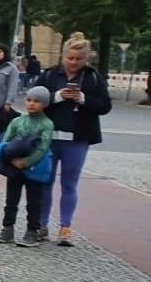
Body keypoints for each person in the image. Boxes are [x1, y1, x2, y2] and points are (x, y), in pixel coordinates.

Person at [36, 34, 113, 246]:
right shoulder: (50, 75)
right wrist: (59, 95)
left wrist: (83, 99)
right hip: (49, 137)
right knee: (45, 181)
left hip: (77, 139)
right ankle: (41, 225)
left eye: (78, 59)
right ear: (63, 56)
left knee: (69, 183)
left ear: (85, 58)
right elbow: (35, 101)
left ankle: (65, 228)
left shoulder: (93, 78)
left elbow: (105, 106)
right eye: (70, 58)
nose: (73, 63)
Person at [0, 87, 55, 248]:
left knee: (34, 201)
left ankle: (32, 230)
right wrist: (11, 159)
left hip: (35, 168)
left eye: (37, 101)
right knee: (11, 199)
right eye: (29, 100)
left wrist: (26, 162)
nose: (32, 104)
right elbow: (7, 141)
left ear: (45, 104)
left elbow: (43, 147)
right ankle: (7, 228)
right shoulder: (18, 121)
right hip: (15, 167)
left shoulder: (46, 124)